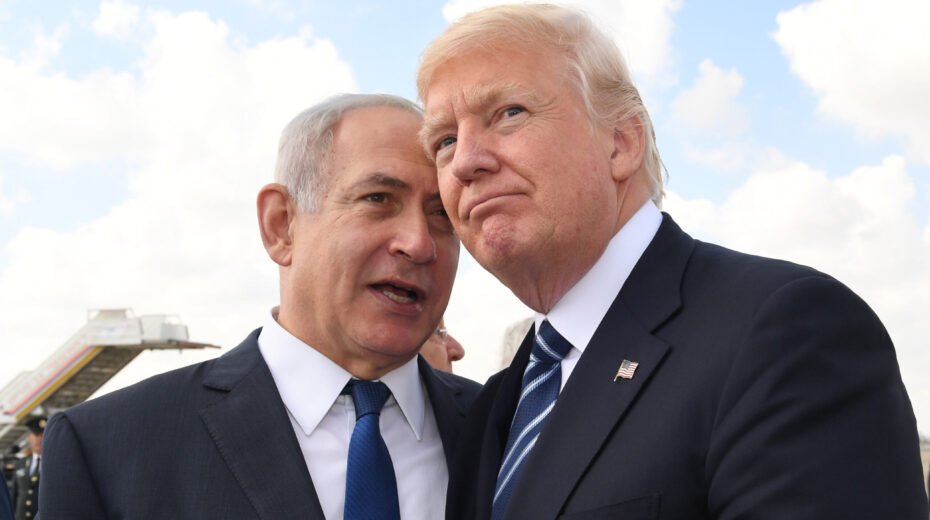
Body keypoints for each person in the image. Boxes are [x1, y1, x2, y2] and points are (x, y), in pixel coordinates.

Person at [416, 4, 929, 519]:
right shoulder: (499, 404)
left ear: (622, 141)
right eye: (445, 140)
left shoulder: (787, 331)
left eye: (509, 113)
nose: (464, 161)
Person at [39, 93, 481, 519]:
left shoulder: (506, 432)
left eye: (442, 213)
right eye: (378, 199)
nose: (419, 243)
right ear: (280, 226)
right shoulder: (109, 447)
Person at [9, 417, 44, 520]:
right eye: (36, 435)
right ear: (29, 438)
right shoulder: (21, 463)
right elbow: (14, 495)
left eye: (42, 435)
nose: (39, 439)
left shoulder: (54, 464)